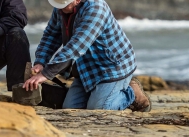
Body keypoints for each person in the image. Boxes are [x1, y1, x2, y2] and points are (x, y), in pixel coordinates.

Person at [23, 0, 151, 112]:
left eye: (64, 4)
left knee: (99, 109)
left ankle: (131, 93)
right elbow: (51, 36)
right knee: (70, 108)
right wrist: (41, 62)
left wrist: (46, 74)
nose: (60, 8)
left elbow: (77, 46)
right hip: (86, 68)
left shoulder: (96, 8)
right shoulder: (61, 8)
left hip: (112, 67)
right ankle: (100, 94)